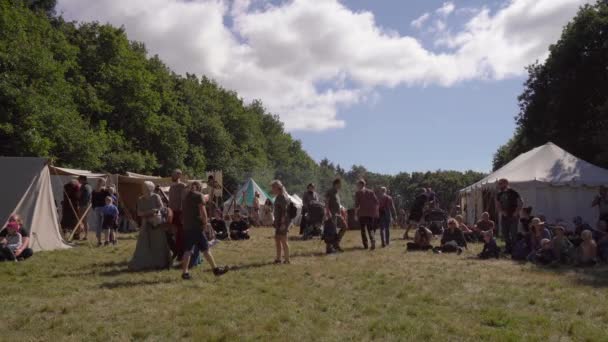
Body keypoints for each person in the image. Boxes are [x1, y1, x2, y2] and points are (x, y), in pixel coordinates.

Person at [180, 181, 229, 280]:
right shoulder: (198, 195)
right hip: (197, 227)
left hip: (187, 227)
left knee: (190, 249)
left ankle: (186, 273)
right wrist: (205, 223)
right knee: (203, 249)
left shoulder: (185, 198)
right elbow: (203, 211)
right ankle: (215, 270)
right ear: (198, 187)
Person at [128, 181, 171, 271]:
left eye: (146, 187)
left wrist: (152, 212)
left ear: (150, 188)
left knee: (158, 243)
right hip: (145, 223)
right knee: (144, 243)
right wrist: (150, 212)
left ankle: (160, 263)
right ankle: (145, 263)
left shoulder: (156, 196)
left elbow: (161, 208)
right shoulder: (140, 199)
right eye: (143, 187)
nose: (144, 189)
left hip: (156, 223)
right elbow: (139, 213)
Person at [495, 178, 523, 254]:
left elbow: (520, 202)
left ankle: (514, 250)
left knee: (513, 233)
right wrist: (502, 211)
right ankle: (508, 249)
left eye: (501, 183)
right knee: (505, 233)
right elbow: (498, 205)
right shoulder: (499, 194)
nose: (499, 185)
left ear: (506, 183)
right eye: (499, 183)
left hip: (514, 216)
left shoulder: (513, 192)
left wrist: (516, 212)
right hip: (505, 217)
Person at [354, 179, 379, 250]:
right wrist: (375, 211)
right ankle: (373, 240)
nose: (357, 186)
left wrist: (355, 214)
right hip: (370, 214)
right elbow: (376, 202)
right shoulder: (371, 192)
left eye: (358, 185)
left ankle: (365, 245)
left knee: (363, 230)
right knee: (370, 229)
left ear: (361, 185)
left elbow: (356, 205)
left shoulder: (358, 193)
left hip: (362, 214)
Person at [168, 169, 187, 260]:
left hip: (179, 212)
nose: (172, 176)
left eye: (173, 174)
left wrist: (183, 213)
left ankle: (180, 254)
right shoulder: (171, 187)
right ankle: (175, 250)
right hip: (171, 213)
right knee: (170, 233)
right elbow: (170, 201)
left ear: (179, 175)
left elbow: (184, 200)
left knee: (180, 234)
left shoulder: (182, 186)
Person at [272, 180, 291, 264]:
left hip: (282, 223)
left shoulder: (283, 197)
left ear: (277, 188)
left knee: (284, 241)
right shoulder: (278, 197)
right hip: (278, 222)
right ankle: (278, 258)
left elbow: (285, 212)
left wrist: (283, 224)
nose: (272, 190)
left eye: (273, 188)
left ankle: (287, 260)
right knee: (277, 240)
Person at [326, 178, 346, 250]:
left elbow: (338, 204)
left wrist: (341, 214)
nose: (341, 186)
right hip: (332, 214)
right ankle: (329, 248)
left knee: (344, 227)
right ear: (336, 184)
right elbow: (327, 202)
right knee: (331, 231)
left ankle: (336, 243)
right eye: (340, 184)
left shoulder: (337, 192)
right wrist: (328, 212)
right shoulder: (330, 191)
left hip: (338, 214)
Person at [91, 179, 111, 246]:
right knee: (106, 225)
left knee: (98, 225)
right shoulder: (105, 191)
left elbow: (92, 201)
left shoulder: (94, 191)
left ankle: (99, 241)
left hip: (97, 208)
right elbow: (110, 199)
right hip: (104, 208)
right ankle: (106, 241)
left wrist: (94, 208)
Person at [77, 175, 93, 240]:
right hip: (87, 205)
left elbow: (78, 195)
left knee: (80, 220)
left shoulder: (83, 186)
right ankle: (86, 235)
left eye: (79, 179)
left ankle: (79, 234)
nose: (78, 181)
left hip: (83, 205)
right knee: (85, 221)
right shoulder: (89, 186)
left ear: (83, 179)